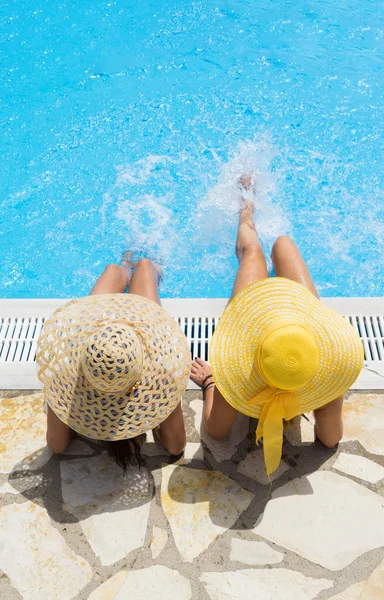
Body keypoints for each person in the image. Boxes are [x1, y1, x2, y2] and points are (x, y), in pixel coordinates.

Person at [190, 175, 364, 476]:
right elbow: (331, 438)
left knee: (255, 251)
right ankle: (247, 206)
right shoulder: (322, 368)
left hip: (279, 323)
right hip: (301, 333)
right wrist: (330, 392)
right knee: (282, 243)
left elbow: (215, 431)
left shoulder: (238, 380)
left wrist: (211, 383)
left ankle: (246, 209)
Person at [37, 256, 190, 470]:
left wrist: (62, 399)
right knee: (144, 266)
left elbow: (56, 444)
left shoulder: (73, 375)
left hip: (99, 332)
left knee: (114, 270)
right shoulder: (157, 373)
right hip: (131, 335)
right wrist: (166, 397)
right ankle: (133, 263)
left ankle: (126, 262)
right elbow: (176, 447)